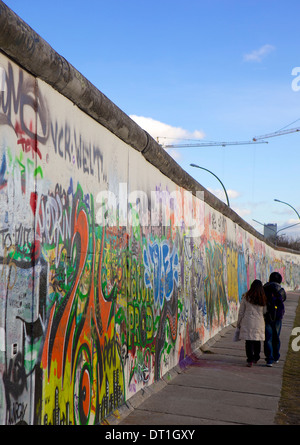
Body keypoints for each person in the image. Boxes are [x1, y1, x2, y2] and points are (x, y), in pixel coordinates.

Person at [237, 279, 267, 367]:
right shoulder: (263, 298)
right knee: (257, 340)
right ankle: (256, 357)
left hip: (248, 321)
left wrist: (239, 323)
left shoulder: (246, 296)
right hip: (259, 322)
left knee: (249, 341)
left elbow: (241, 311)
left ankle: (249, 359)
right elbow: (265, 311)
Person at [263, 272, 287, 367]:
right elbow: (284, 299)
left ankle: (269, 359)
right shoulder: (281, 290)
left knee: (268, 337)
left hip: (266, 315)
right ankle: (276, 356)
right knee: (276, 337)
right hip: (277, 316)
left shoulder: (265, 288)